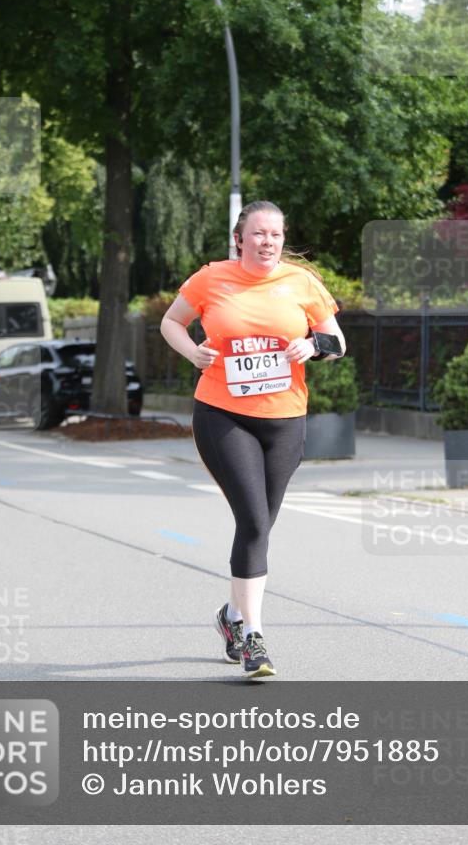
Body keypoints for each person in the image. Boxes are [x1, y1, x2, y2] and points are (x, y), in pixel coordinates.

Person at [160, 201, 346, 678]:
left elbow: (337, 340)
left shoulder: (303, 282)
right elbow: (171, 322)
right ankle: (253, 638)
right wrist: (192, 353)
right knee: (254, 520)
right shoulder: (210, 278)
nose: (268, 242)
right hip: (223, 414)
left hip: (285, 417)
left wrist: (314, 345)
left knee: (261, 524)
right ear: (239, 239)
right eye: (259, 233)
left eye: (277, 235)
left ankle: (231, 616)